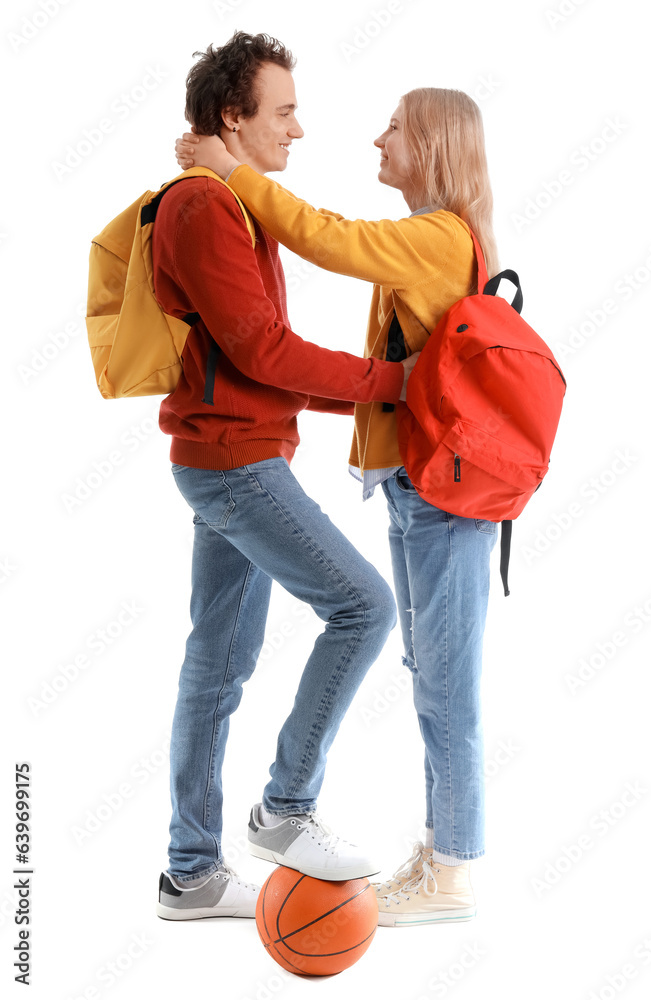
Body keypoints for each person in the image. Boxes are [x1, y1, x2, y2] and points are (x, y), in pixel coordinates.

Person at [175, 83, 501, 926]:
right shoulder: (428, 240)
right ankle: (432, 856)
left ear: (430, 145)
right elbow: (287, 356)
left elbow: (328, 240)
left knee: (435, 674)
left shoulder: (435, 237)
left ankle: (451, 871)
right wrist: (389, 398)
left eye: (393, 127)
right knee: (424, 671)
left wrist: (235, 173)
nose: (375, 138)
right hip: (412, 486)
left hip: (440, 492)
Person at [154, 31, 419, 922]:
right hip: (235, 467)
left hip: (227, 456)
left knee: (215, 670)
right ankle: (286, 809)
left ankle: (189, 875)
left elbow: (259, 362)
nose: (298, 130)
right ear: (235, 116)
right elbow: (263, 349)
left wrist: (378, 403)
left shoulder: (230, 201)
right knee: (364, 606)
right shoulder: (204, 208)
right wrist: (392, 386)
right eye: (284, 111)